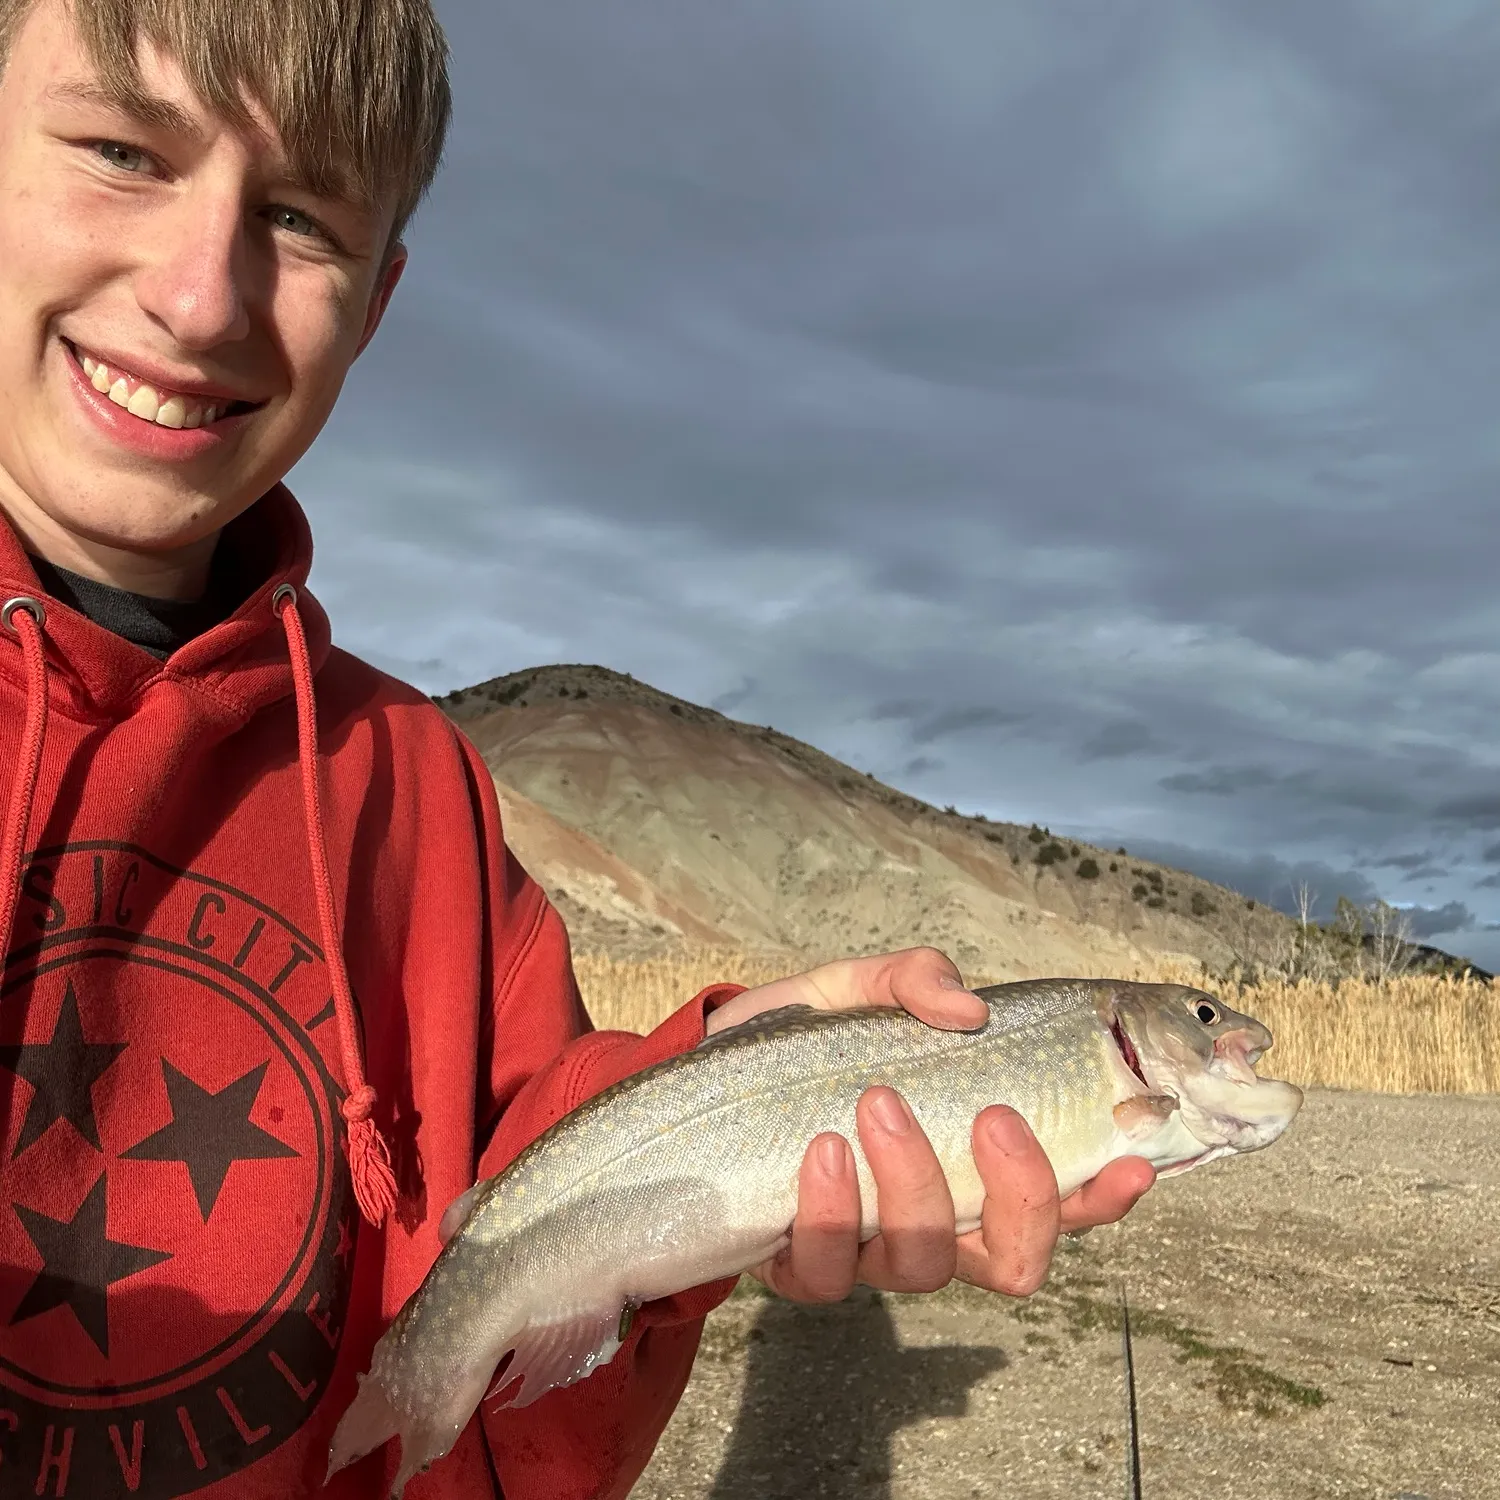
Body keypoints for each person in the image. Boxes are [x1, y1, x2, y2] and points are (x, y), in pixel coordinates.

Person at [0, 0, 1154, 1495]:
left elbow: (496, 1205)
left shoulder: (413, 782)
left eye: (297, 220)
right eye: (120, 151)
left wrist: (736, 1095)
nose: (201, 295)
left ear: (377, 301)